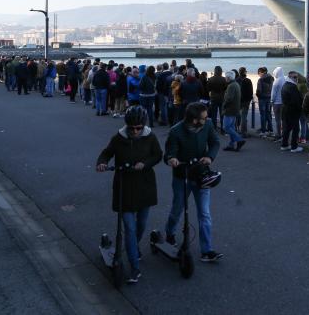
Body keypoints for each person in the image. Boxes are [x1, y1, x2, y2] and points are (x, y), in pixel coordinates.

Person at [95, 106, 163, 283]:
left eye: (138, 128)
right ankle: (134, 267)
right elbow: (106, 153)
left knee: (140, 225)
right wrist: (102, 163)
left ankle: (134, 247)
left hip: (145, 187)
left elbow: (157, 155)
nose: (135, 131)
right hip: (124, 187)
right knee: (130, 229)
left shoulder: (150, 137)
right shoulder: (118, 138)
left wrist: (145, 164)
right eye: (132, 128)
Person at [163, 102, 223, 263]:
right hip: (182, 175)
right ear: (194, 120)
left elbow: (215, 142)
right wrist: (172, 159)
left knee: (204, 213)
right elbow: (169, 153)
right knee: (178, 208)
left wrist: (210, 156)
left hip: (200, 174)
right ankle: (170, 233)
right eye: (203, 117)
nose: (207, 119)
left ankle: (207, 249)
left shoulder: (208, 124)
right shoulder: (175, 131)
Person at [222, 71, 246, 151]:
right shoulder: (236, 84)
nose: (225, 78)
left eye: (226, 77)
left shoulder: (231, 86)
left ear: (228, 78)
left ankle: (239, 140)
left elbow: (229, 98)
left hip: (230, 109)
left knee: (226, 127)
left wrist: (224, 106)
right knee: (231, 127)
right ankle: (231, 144)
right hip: (235, 109)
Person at [281, 71, 304, 152]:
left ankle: (284, 145)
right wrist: (300, 108)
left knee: (287, 128)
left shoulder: (285, 85)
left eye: (297, 77)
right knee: (295, 129)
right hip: (292, 111)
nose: (297, 79)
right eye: (295, 77)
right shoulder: (292, 87)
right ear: (290, 77)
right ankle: (294, 146)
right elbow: (296, 101)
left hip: (286, 110)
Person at [207, 66, 228, 131]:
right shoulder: (224, 79)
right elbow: (226, 88)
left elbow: (208, 89)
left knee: (214, 114)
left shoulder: (210, 79)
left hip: (213, 98)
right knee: (222, 114)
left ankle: (214, 128)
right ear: (221, 71)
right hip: (222, 98)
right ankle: (222, 129)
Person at [255, 67, 274, 135]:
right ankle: (271, 130)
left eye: (259, 73)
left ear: (261, 72)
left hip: (262, 98)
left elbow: (259, 91)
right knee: (268, 114)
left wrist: (258, 96)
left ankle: (263, 131)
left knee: (262, 114)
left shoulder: (261, 80)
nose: (258, 75)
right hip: (269, 98)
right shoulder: (271, 78)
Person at [270, 67, 286, 139]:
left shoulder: (276, 81)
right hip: (284, 102)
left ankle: (278, 134)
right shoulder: (285, 79)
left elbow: (273, 94)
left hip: (276, 103)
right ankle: (284, 133)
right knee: (284, 119)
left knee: (277, 120)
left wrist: (271, 101)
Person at [238, 67, 253, 135]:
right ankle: (243, 132)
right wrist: (250, 99)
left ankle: (239, 129)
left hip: (238, 100)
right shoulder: (248, 80)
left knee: (239, 115)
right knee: (244, 116)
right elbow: (251, 92)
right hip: (246, 101)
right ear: (244, 72)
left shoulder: (236, 80)